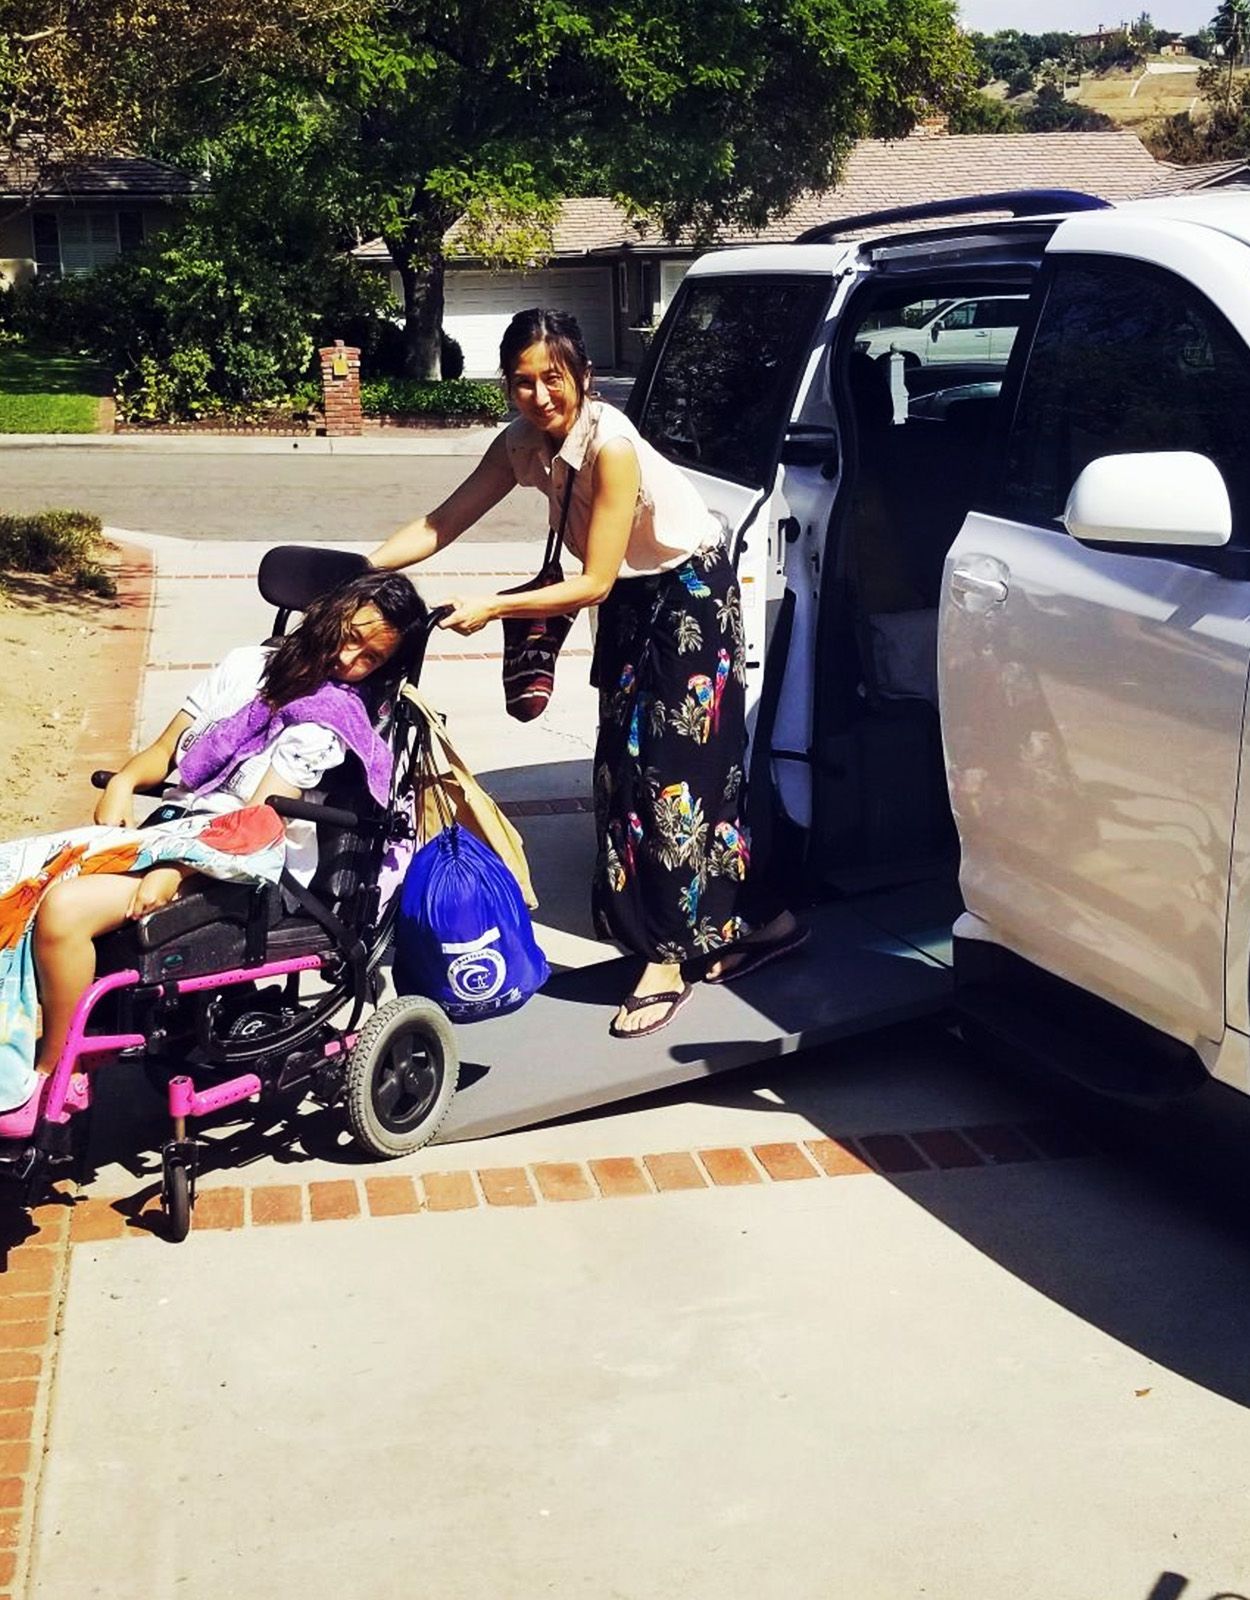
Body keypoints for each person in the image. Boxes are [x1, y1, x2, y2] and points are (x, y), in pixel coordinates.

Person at [370, 308, 804, 1039]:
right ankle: (747, 925)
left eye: (553, 378)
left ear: (583, 377)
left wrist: (497, 606)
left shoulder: (613, 449)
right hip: (635, 598)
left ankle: (669, 960)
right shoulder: (520, 446)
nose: (539, 395)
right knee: (621, 768)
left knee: (677, 772)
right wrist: (357, 569)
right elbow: (442, 523)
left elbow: (595, 579)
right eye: (522, 382)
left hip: (688, 594)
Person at [0, 569, 424, 1132]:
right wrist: (126, 782)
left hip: (243, 862)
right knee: (15, 874)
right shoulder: (246, 667)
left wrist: (179, 870)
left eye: (370, 658)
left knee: (63, 909)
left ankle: (52, 1073)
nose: (350, 660)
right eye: (351, 636)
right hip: (174, 829)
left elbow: (256, 821)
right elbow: (166, 753)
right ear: (330, 612)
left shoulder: (331, 716)